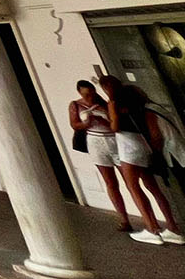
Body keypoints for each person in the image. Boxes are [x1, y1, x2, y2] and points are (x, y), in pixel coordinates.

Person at [99, 74, 184, 244]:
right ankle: (172, 226)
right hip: (143, 144)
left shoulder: (114, 103)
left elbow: (115, 127)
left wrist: (107, 117)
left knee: (134, 187)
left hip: (128, 147)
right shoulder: (136, 100)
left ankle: (152, 228)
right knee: (153, 187)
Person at [69, 79, 131, 232]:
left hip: (112, 140)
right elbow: (74, 124)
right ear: (80, 93)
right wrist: (86, 123)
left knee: (130, 180)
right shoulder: (76, 105)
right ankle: (123, 218)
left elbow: (115, 122)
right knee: (110, 182)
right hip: (95, 141)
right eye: (86, 94)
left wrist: (102, 119)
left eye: (91, 93)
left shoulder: (104, 103)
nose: (90, 97)